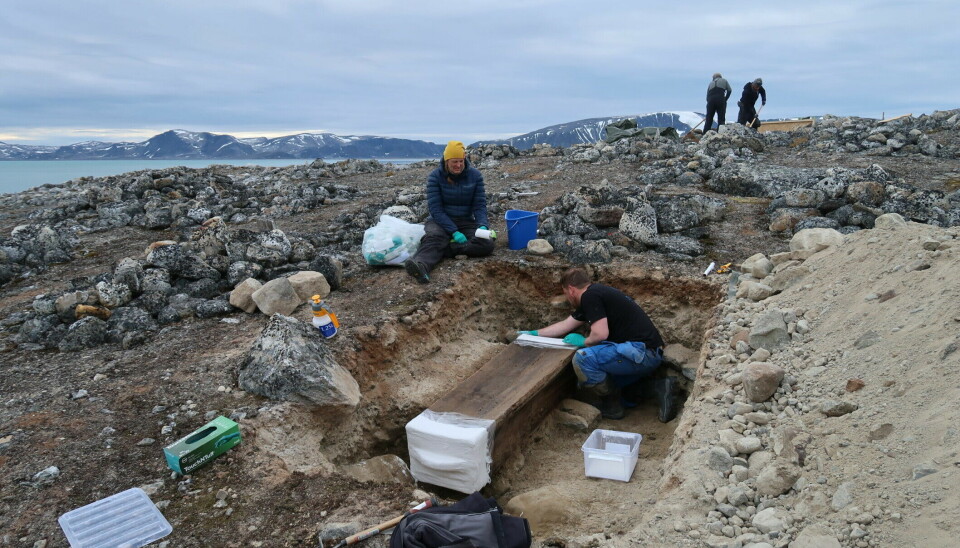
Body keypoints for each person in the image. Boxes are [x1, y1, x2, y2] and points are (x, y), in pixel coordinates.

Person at [519, 267, 678, 421]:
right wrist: (533, 333)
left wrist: (584, 341)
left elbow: (601, 334)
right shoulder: (596, 295)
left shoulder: (590, 297)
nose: (567, 297)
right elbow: (565, 325)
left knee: (584, 359)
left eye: (565, 293)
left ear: (571, 289)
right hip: (646, 353)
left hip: (642, 354)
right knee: (612, 384)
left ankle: (612, 407)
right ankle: (659, 387)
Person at [404, 140, 495, 284]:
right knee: (435, 236)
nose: (458, 165)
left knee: (487, 244)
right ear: (447, 161)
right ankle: (421, 266)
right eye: (454, 162)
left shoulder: (475, 176)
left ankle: (444, 249)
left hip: (465, 221)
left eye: (461, 161)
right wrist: (453, 232)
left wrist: (482, 225)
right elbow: (436, 209)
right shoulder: (435, 177)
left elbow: (479, 205)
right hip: (439, 221)